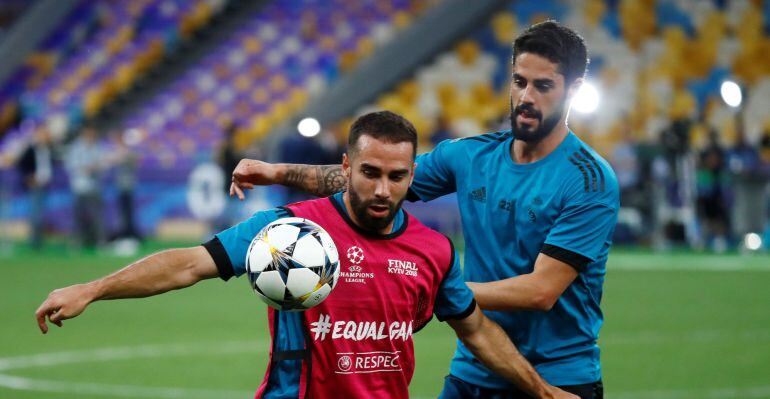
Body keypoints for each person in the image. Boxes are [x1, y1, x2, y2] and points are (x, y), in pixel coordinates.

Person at [36, 111, 576, 399]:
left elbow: (476, 329)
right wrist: (93, 288)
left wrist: (542, 392)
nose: (383, 189)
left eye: (397, 176)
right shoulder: (290, 231)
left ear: (414, 175)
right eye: (369, 173)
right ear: (346, 166)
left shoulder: (433, 250)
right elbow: (189, 263)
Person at [229, 21, 618, 399]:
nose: (526, 97)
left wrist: (426, 288)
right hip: (476, 369)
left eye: (544, 86)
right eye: (519, 81)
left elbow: (540, 291)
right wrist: (277, 172)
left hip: (559, 377)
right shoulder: (470, 155)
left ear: (574, 89)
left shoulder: (588, 180)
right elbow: (371, 178)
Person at [64, 124, 107, 249]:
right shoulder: (76, 148)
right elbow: (71, 166)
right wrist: (86, 168)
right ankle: (76, 243)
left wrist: (95, 168)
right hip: (79, 187)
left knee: (97, 216)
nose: (91, 136)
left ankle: (100, 242)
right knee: (77, 217)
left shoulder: (98, 147)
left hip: (94, 186)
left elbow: (103, 165)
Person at [15, 125, 53, 250]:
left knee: (41, 214)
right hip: (35, 185)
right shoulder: (31, 149)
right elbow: (22, 165)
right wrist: (29, 178)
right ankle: (35, 242)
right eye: (42, 133)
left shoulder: (48, 148)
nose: (44, 136)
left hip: (45, 185)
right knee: (35, 214)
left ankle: (39, 241)